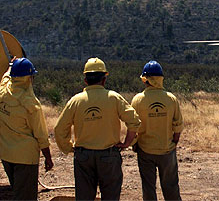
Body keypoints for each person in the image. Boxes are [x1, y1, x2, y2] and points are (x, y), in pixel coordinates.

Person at [54, 57, 141, 201]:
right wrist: (127, 143)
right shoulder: (114, 98)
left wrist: (69, 148)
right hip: (109, 156)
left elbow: (59, 129)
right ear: (104, 79)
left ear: (85, 80)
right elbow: (134, 121)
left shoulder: (76, 101)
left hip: (83, 157)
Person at [0, 57, 53, 200]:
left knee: (17, 190)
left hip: (6, 153)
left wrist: (11, 66)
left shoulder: (2, 92)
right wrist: (48, 158)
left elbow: (5, 77)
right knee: (25, 197)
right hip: (25, 158)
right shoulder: (31, 104)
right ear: (29, 78)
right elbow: (41, 135)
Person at [131, 60, 184, 201]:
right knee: (171, 186)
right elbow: (178, 124)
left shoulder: (137, 100)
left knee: (148, 187)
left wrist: (134, 143)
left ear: (145, 80)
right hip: (167, 150)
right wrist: (174, 141)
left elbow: (134, 126)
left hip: (145, 150)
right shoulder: (171, 99)